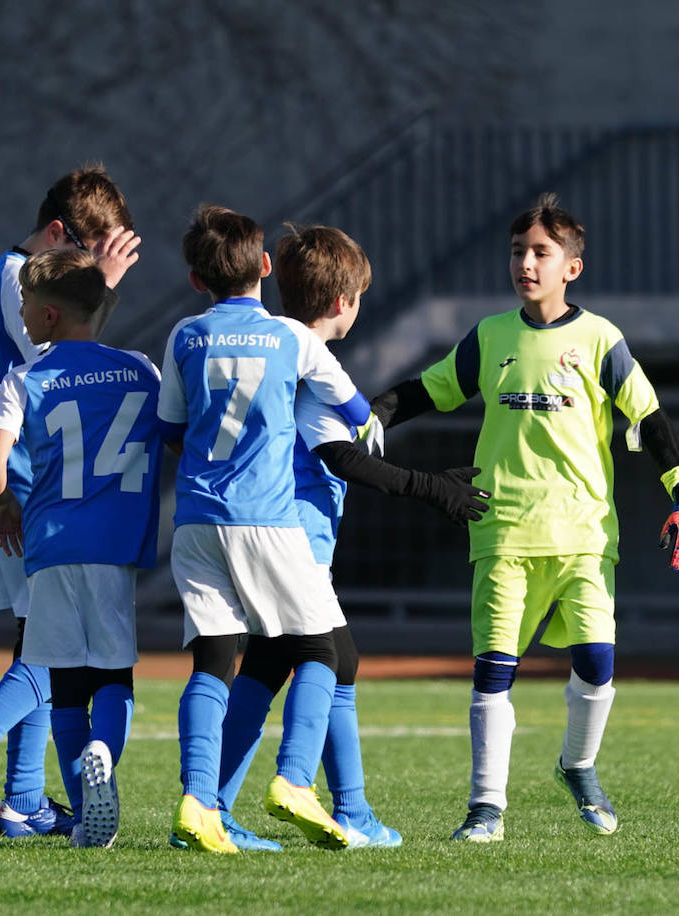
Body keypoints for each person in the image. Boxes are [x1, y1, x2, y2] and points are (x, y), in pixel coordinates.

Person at [370, 193, 679, 843]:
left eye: (540, 253)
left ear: (571, 269)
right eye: (517, 252)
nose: (525, 263)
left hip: (585, 533)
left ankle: (578, 766)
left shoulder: (601, 339)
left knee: (597, 659)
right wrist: (372, 413)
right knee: (494, 670)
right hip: (501, 529)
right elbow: (430, 388)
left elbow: (650, 418)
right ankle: (485, 808)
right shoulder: (489, 337)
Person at [203, 223, 490, 852]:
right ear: (345, 304)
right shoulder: (307, 362)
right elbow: (339, 454)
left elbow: (350, 426)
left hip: (277, 535)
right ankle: (337, 804)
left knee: (275, 661)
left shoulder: (283, 349)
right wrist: (430, 486)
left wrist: (383, 415)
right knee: (338, 659)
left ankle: (215, 807)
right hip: (290, 541)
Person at [0, 165, 139, 838]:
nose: (86, 270)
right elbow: (58, 351)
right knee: (54, 648)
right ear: (54, 235)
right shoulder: (23, 280)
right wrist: (99, 285)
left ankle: (24, 800)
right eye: (80, 254)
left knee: (37, 638)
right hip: (21, 488)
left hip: (21, 485)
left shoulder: (10, 273)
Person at [158, 205, 383, 854]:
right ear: (263, 267)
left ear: (197, 281)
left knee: (212, 662)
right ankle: (293, 782)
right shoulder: (294, 340)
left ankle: (200, 806)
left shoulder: (183, 337)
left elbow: (171, 430)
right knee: (321, 651)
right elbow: (354, 408)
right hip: (269, 519)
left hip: (197, 520)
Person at [0, 247, 163, 849]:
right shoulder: (140, 369)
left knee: (63, 684)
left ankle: (85, 816)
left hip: (52, 545)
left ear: (51, 314)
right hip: (115, 549)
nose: (24, 316)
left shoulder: (25, 377)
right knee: (113, 676)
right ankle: (104, 755)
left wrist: (5, 502)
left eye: (29, 305)